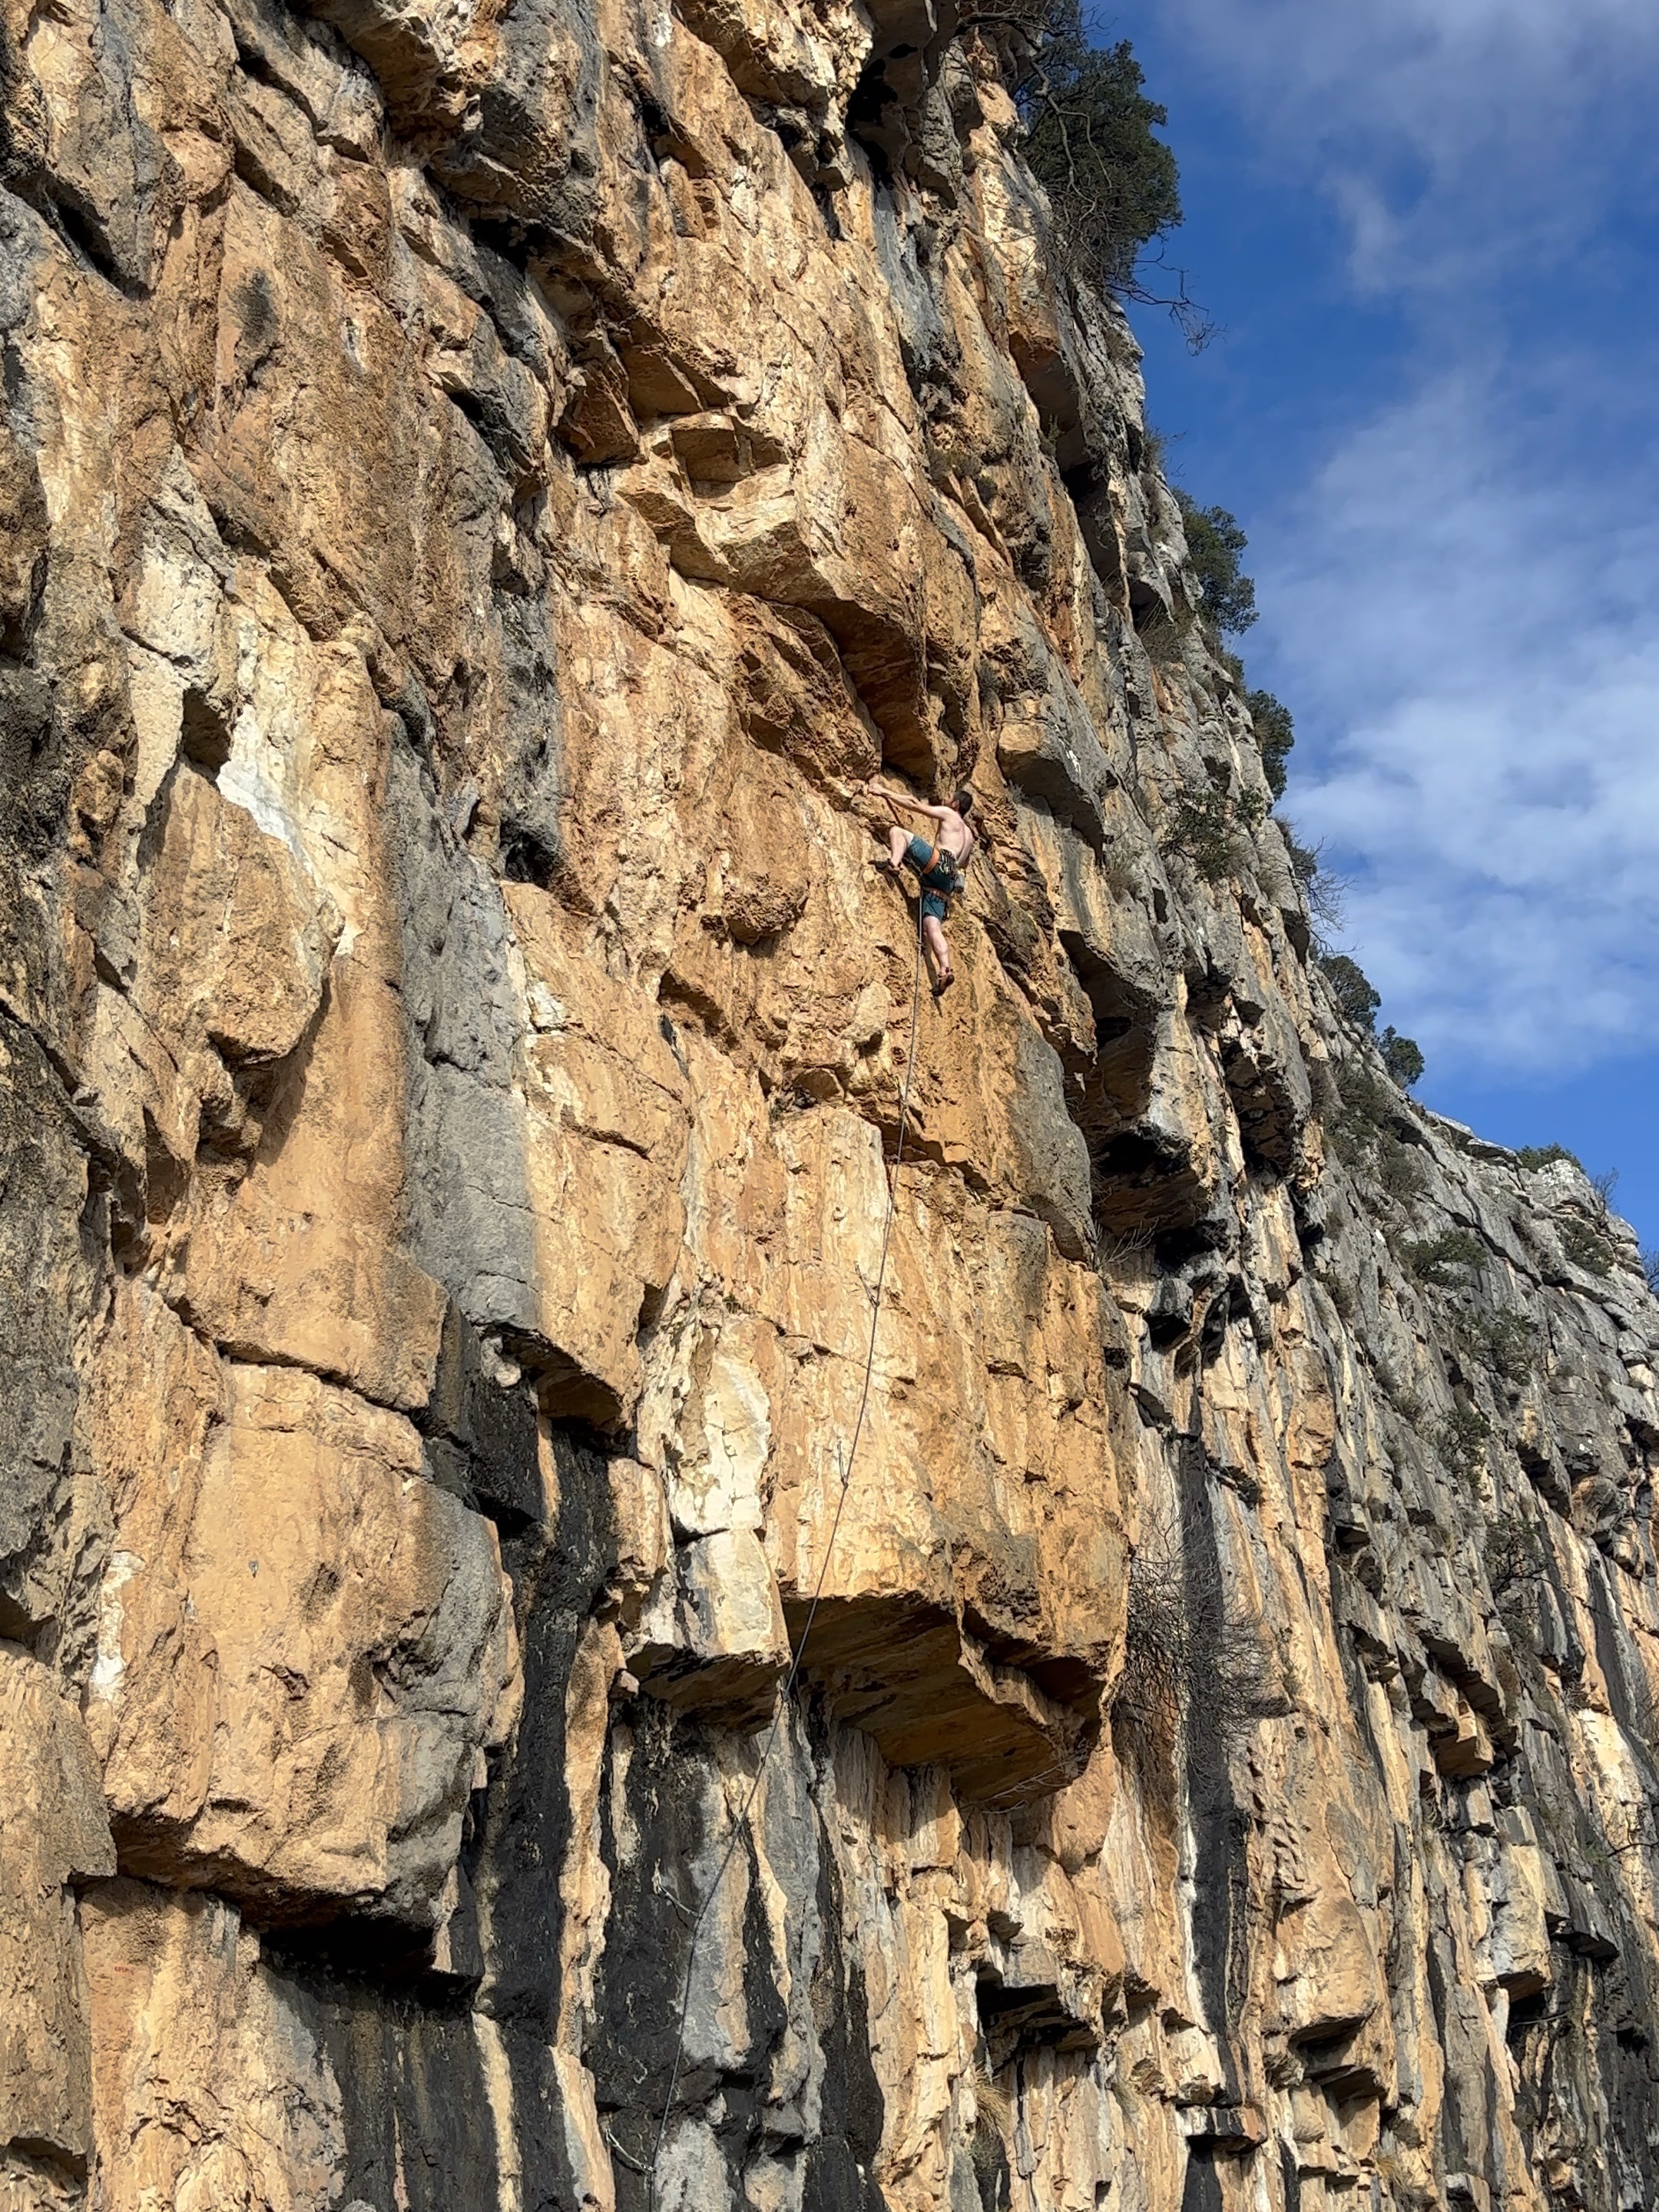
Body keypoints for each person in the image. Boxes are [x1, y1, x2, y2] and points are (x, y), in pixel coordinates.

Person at [866, 777, 976, 997]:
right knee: (932, 927)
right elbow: (964, 862)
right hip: (949, 881)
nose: (946, 800)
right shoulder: (970, 836)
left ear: (955, 805)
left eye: (949, 798)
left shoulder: (949, 815)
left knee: (898, 833)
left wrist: (884, 792)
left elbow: (915, 805)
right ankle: (944, 968)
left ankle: (894, 864)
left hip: (940, 863)